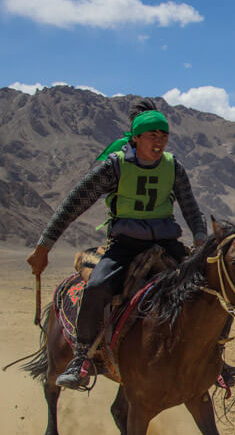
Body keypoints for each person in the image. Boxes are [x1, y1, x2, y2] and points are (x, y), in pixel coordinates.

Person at [26, 99, 208, 390]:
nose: (159, 141)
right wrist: (43, 247)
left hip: (168, 243)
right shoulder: (115, 167)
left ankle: (213, 358)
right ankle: (82, 358)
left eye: (164, 136)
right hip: (125, 245)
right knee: (97, 287)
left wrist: (200, 240)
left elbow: (191, 210)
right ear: (135, 138)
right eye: (152, 135)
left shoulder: (174, 167)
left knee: (205, 288)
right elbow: (72, 205)